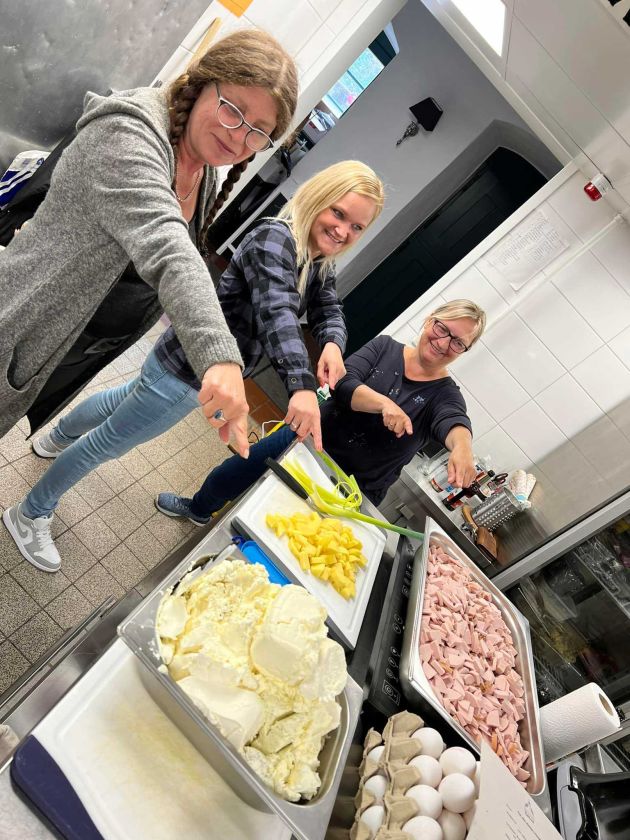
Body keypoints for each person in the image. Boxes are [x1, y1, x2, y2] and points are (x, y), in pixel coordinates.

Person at [3, 161, 384, 572]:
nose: (343, 231)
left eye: (357, 227)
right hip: (192, 371)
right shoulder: (277, 240)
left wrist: (332, 343)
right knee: (107, 443)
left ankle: (56, 437)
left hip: (182, 354)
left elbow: (328, 306)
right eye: (338, 213)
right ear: (317, 198)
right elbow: (279, 313)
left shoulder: (316, 257)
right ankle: (30, 513)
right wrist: (302, 386)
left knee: (121, 399)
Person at [0, 29, 298, 452]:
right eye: (233, 109)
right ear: (202, 83)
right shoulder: (127, 133)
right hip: (19, 323)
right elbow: (168, 246)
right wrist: (219, 354)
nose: (238, 137)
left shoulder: (205, 173)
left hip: (66, 345)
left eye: (258, 133)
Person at [155, 300, 486, 524]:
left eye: (458, 342)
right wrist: (384, 404)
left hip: (351, 486)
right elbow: (343, 383)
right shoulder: (385, 347)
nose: (444, 343)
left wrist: (463, 449)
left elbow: (453, 420)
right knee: (231, 473)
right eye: (442, 329)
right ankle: (198, 509)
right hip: (307, 438)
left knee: (285, 527)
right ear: (430, 320)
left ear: (465, 351)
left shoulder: (444, 394)